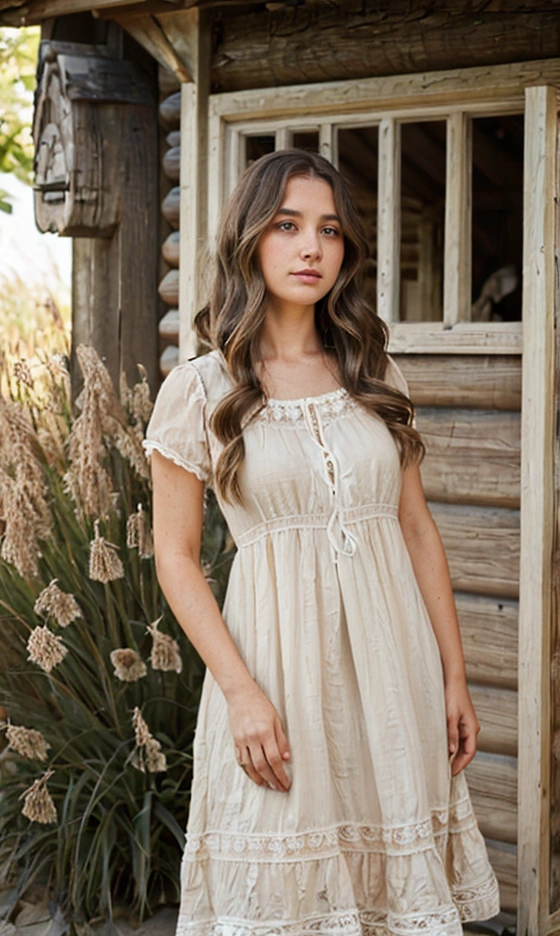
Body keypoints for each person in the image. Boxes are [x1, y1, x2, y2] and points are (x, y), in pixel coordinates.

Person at [142, 149, 500, 936]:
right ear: (250, 241)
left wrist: (454, 675)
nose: (312, 248)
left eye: (330, 231)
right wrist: (240, 693)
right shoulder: (200, 389)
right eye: (288, 226)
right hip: (276, 675)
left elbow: (413, 527)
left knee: (391, 903)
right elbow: (174, 556)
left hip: (394, 673)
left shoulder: (373, 373)